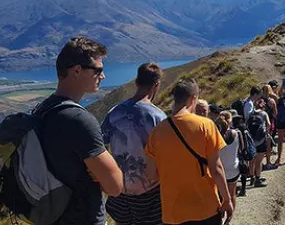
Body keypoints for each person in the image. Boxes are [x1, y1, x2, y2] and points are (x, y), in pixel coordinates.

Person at [36, 37, 123, 225]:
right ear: (77, 70)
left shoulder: (42, 110)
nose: (103, 76)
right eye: (98, 70)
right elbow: (115, 186)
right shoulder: (79, 120)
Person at [145, 77, 233, 225]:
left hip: (173, 212)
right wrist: (227, 199)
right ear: (193, 99)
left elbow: (151, 174)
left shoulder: (157, 132)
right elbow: (216, 168)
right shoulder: (206, 126)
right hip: (206, 209)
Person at [102, 62, 166, 225]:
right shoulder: (158, 117)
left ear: (137, 82)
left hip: (120, 190)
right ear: (156, 85)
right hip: (151, 192)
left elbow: (100, 147)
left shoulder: (114, 113)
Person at [215, 116, 241, 211]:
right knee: (232, 194)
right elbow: (241, 149)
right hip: (234, 169)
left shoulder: (215, 138)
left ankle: (221, 216)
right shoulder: (237, 133)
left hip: (220, 171)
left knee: (220, 196)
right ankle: (230, 217)